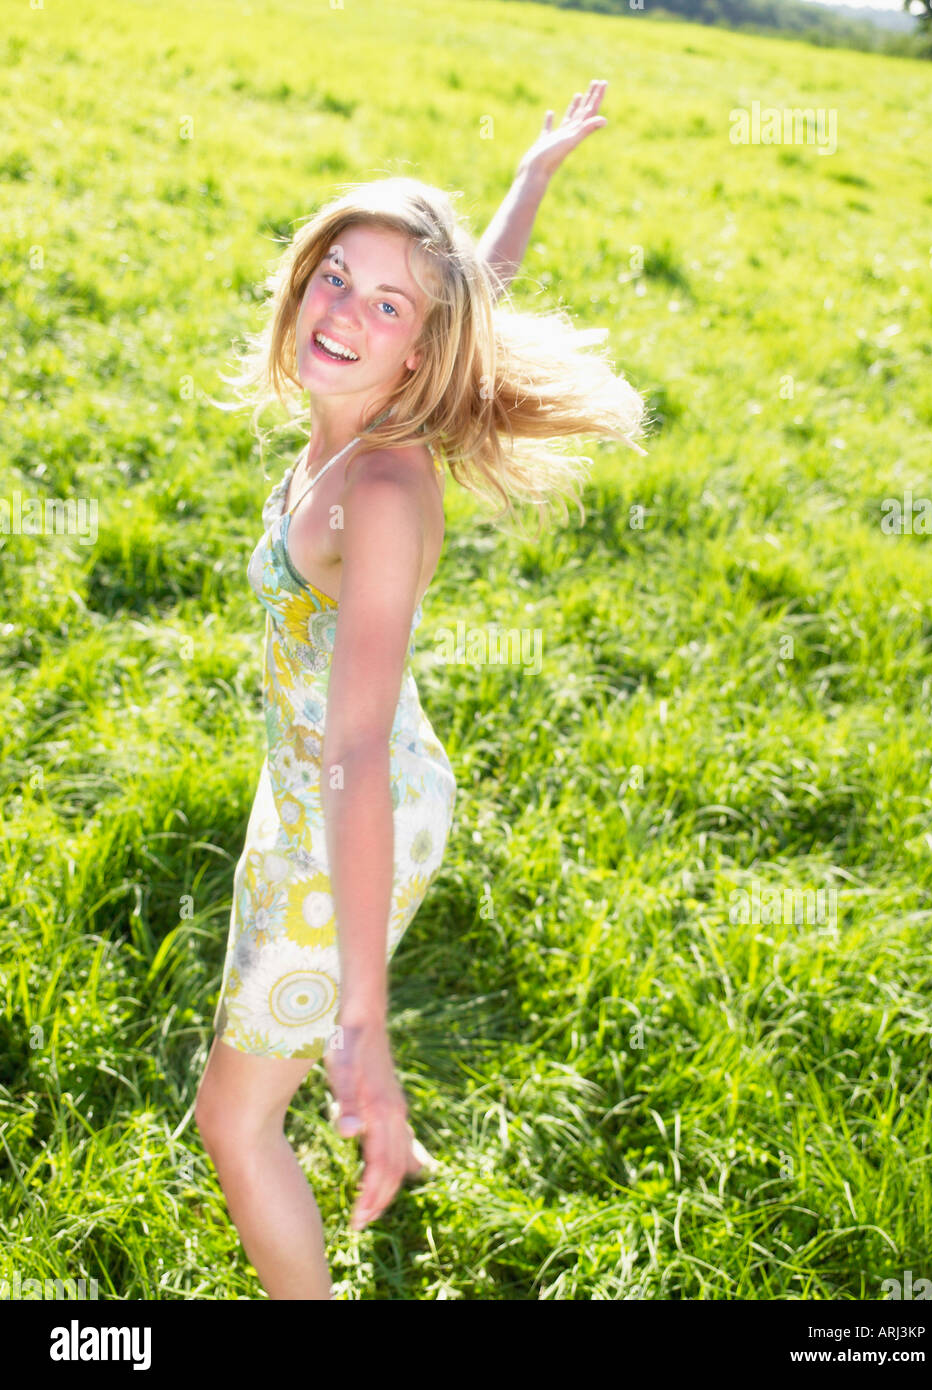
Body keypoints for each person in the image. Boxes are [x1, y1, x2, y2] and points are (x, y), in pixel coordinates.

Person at [193, 79, 646, 1300]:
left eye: (387, 302)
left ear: (417, 341)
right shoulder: (375, 394)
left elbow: (348, 755)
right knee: (268, 1045)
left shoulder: (382, 495)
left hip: (352, 809)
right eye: (337, 275)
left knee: (233, 1127)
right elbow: (473, 283)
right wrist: (535, 174)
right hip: (334, 783)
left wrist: (368, 1022)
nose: (347, 311)